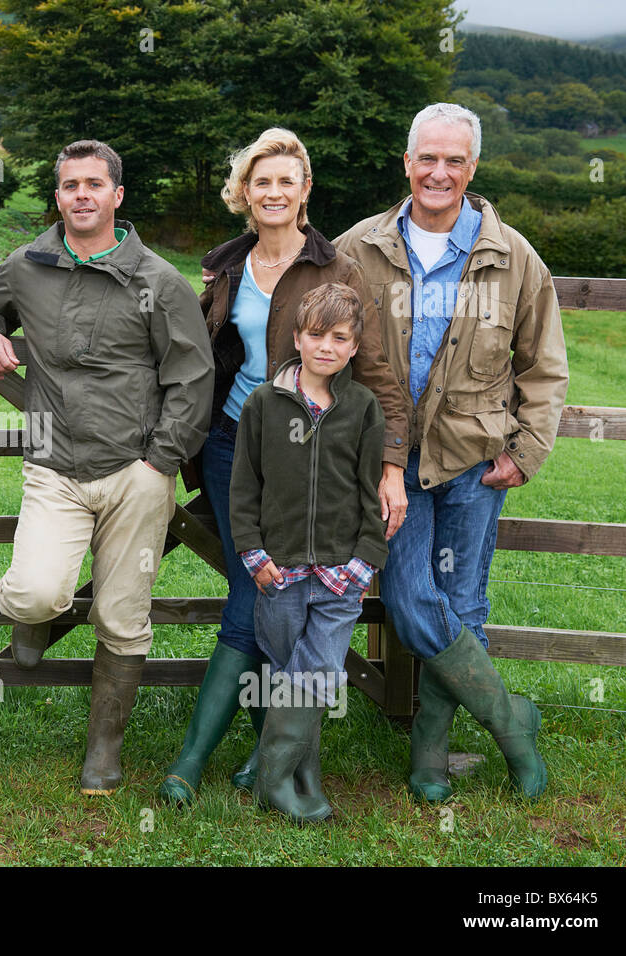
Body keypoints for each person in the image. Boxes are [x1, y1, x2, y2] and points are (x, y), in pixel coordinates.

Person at [159, 128, 408, 808]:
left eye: (285, 181)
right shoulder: (225, 266)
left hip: (313, 457)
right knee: (262, 585)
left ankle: (202, 759)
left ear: (304, 192)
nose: (272, 192)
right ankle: (265, 757)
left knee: (265, 598)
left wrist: (390, 466)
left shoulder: (338, 271)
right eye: (260, 181)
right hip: (231, 445)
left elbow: (380, 376)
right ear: (244, 192)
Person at [335, 103, 569, 801]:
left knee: (464, 605)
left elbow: (544, 364)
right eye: (427, 158)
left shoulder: (512, 255)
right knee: (410, 602)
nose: (440, 172)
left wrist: (526, 451)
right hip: (391, 465)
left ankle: (430, 751)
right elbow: (325, 346)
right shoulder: (358, 248)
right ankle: (510, 723)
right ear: (406, 163)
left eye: (454, 160)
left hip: (475, 462)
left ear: (473, 167)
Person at [0, 140, 216, 796]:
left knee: (123, 615)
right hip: (55, 465)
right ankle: (36, 621)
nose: (82, 194)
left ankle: (103, 749)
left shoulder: (159, 281)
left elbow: (193, 376)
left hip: (136, 472)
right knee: (35, 592)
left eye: (94, 184)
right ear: (58, 196)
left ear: (117, 196)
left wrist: (160, 461)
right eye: (70, 184)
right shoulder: (27, 265)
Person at [229, 283, 388, 822]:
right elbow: (244, 488)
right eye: (316, 334)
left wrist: (365, 561)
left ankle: (271, 779)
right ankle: (301, 774)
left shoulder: (362, 408)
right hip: (280, 572)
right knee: (285, 670)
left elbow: (372, 494)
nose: (326, 346)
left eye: (339, 338)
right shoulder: (262, 404)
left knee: (316, 673)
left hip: (341, 575)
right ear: (297, 337)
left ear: (353, 346)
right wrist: (253, 554)